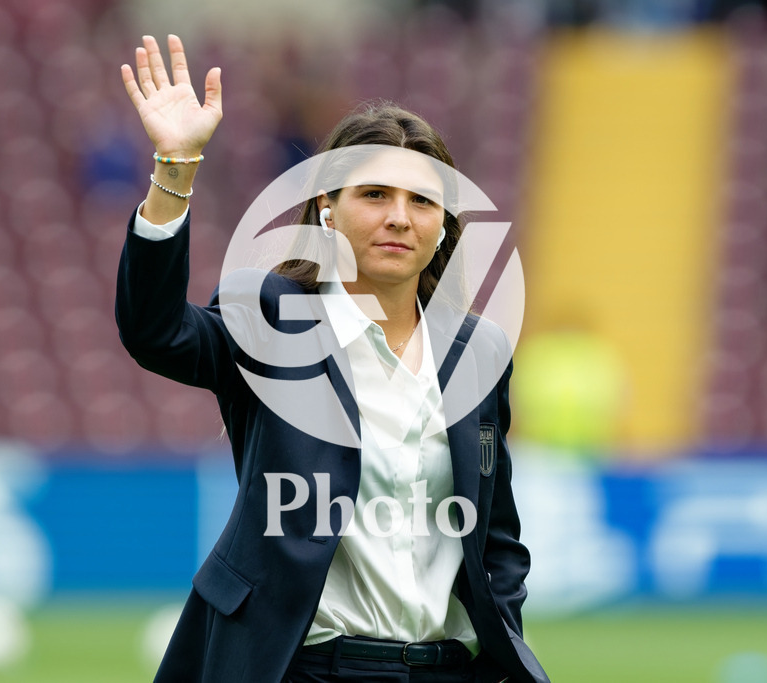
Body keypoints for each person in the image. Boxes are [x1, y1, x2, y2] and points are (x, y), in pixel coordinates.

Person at [116, 34, 549, 683]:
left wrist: (501, 617)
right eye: (373, 194)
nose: (399, 218)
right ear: (327, 207)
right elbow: (156, 331)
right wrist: (174, 169)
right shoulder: (271, 317)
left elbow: (497, 532)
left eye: (421, 201)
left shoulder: (478, 348)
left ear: (443, 225)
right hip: (306, 666)